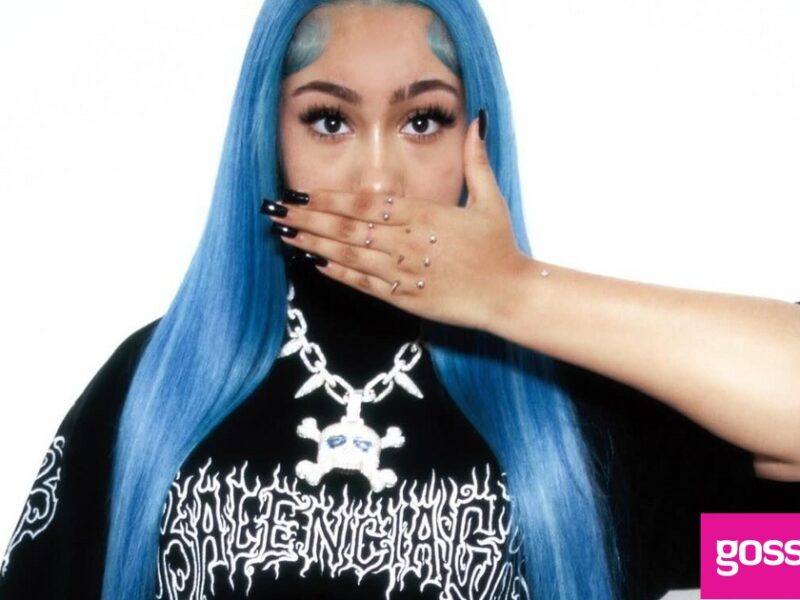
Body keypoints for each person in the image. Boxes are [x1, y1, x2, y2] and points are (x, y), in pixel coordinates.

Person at [1, 0, 797, 599]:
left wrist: (515, 293)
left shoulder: (573, 425)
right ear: (268, 138)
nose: (378, 177)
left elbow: (780, 560)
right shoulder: (160, 392)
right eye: (328, 120)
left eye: (422, 120)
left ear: (478, 135)